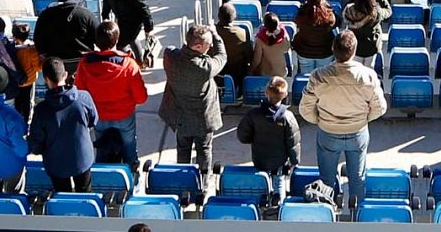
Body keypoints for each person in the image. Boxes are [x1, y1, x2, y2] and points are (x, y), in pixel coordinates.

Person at [300, 30, 386, 206]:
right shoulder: (368, 75)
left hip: (328, 132)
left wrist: (320, 120)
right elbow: (380, 107)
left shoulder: (318, 76)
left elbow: (305, 109)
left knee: (326, 179)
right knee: (358, 178)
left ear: (333, 49)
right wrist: (363, 119)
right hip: (358, 132)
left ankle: (328, 212)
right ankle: (357, 216)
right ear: (354, 51)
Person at [160, 24, 228, 179]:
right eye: (208, 44)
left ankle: (184, 180)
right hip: (202, 120)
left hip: (180, 117)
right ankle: (203, 182)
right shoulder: (205, 67)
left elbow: (175, 50)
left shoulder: (170, 56)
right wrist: (216, 35)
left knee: (182, 149)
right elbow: (222, 56)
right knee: (204, 150)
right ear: (198, 46)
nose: (211, 46)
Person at [76, 21, 146, 168]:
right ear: (117, 39)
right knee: (129, 145)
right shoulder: (129, 64)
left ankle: (102, 175)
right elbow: (141, 97)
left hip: (98, 116)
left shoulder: (85, 63)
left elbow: (80, 92)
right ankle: (132, 172)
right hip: (124, 115)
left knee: (102, 148)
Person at [28, 57, 98, 193]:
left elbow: (36, 143)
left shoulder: (41, 110)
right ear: (65, 74)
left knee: (62, 194)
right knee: (85, 192)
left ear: (46, 79)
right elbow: (93, 121)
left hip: (56, 164)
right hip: (82, 159)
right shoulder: (84, 98)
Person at [238, 75, 299, 203]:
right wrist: (294, 160)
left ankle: (263, 202)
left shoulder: (253, 114)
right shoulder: (288, 117)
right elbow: (293, 142)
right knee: (279, 182)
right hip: (279, 160)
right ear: (285, 95)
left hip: (260, 157)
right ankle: (278, 205)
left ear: (266, 92)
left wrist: (253, 139)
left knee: (262, 181)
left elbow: (242, 136)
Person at [34, 0, 97, 81]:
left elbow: (38, 42)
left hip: (56, 66)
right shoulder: (86, 14)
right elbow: (98, 38)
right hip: (82, 64)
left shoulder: (45, 15)